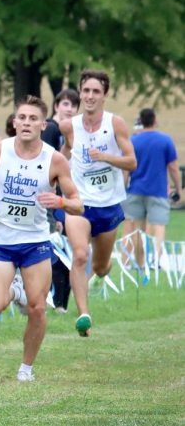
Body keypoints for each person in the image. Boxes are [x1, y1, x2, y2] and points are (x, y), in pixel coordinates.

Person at [0, 96, 83, 381]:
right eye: (22, 118)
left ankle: (26, 368)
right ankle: (15, 291)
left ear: (43, 125)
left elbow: (78, 204)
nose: (27, 123)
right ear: (14, 122)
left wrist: (59, 202)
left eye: (33, 119)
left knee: (38, 307)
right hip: (0, 240)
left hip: (35, 242)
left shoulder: (54, 159)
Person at [60, 70, 136, 337]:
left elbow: (131, 161)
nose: (90, 96)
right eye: (86, 91)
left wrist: (105, 157)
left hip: (109, 202)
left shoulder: (116, 124)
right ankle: (83, 315)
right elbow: (65, 154)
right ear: (80, 93)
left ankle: (102, 273)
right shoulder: (69, 126)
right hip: (79, 202)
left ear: (105, 95)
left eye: (96, 91)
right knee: (80, 255)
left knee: (101, 265)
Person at [122, 108, 181, 268]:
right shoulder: (165, 140)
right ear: (155, 120)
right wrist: (179, 189)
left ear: (141, 121)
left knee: (137, 229)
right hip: (158, 190)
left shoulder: (133, 141)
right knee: (159, 225)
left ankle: (139, 263)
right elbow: (173, 167)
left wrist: (123, 187)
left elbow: (126, 168)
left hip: (135, 189)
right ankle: (157, 259)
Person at [42, 89, 79, 313]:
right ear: (57, 105)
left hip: (68, 198)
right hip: (52, 199)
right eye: (66, 104)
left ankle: (61, 302)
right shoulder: (51, 129)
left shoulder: (71, 131)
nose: (70, 109)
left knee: (69, 250)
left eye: (74, 105)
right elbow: (47, 165)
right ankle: (54, 301)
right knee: (55, 251)